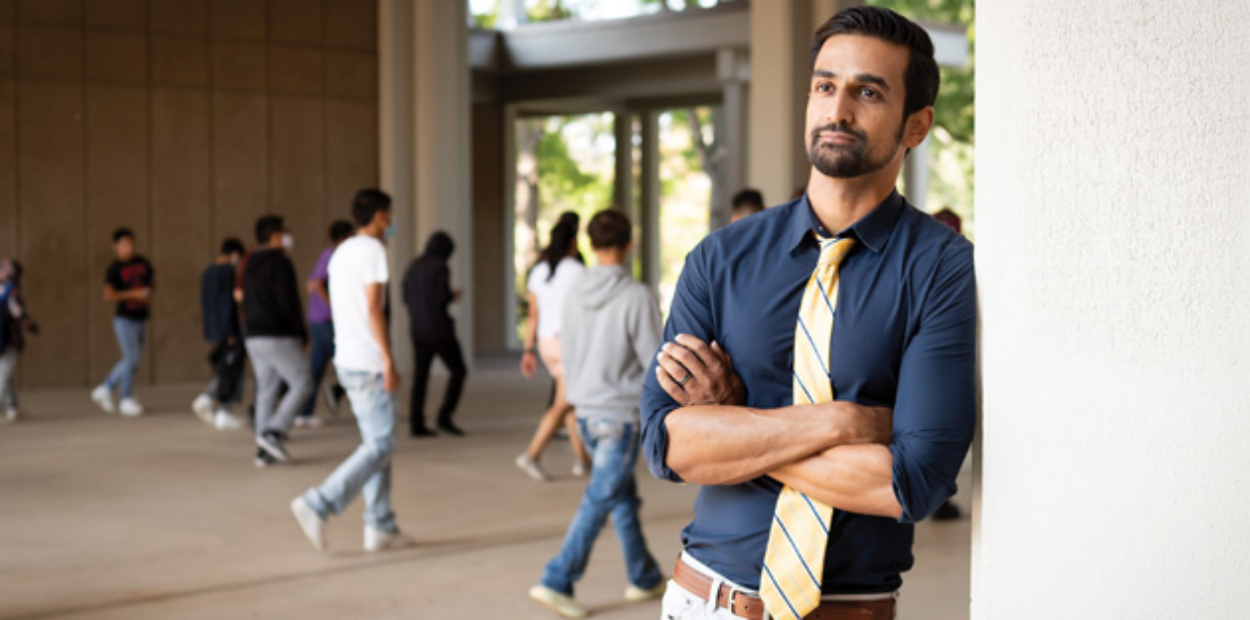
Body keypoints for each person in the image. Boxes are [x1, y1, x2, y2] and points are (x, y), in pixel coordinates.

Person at [641, 8, 976, 620]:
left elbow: (911, 482)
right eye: (825, 85)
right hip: (705, 601)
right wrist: (848, 421)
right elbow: (670, 446)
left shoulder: (942, 268)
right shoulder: (720, 258)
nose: (837, 110)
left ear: (917, 125)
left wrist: (735, 425)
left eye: (868, 92)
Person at [528, 210, 666, 619]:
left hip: (584, 411)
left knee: (620, 496)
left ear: (590, 244)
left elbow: (567, 351)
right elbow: (652, 362)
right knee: (599, 499)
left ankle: (644, 576)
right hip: (620, 416)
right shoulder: (636, 297)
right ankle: (558, 578)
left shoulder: (573, 294)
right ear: (629, 244)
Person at [290, 188, 415, 553]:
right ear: (378, 215)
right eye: (389, 214)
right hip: (369, 362)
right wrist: (389, 360)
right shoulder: (374, 251)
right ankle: (319, 503)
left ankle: (380, 526)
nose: (391, 221)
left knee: (377, 444)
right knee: (381, 444)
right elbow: (374, 309)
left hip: (346, 357)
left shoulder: (341, 252)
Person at [516, 220, 591, 482]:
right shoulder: (577, 271)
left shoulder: (539, 271)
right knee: (563, 403)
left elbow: (533, 315)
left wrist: (527, 350)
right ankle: (532, 454)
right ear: (573, 242)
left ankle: (583, 460)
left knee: (568, 401)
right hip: (567, 342)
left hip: (546, 343)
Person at [242, 215, 312, 467]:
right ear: (274, 236)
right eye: (283, 232)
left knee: (267, 389)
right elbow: (288, 302)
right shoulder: (280, 263)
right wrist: (301, 333)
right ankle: (274, 431)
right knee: (303, 382)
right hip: (277, 334)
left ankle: (264, 449)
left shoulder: (249, 262)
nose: (286, 237)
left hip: (253, 335)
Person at [402, 231, 468, 437]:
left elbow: (405, 296)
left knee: (420, 376)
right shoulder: (440, 267)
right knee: (458, 371)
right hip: (439, 330)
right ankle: (444, 416)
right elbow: (441, 297)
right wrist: (452, 295)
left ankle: (416, 421)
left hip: (418, 329)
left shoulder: (414, 266)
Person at [295, 220, 354, 429]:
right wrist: (333, 306)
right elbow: (314, 284)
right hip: (325, 320)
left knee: (316, 368)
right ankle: (338, 391)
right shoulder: (332, 255)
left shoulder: (332, 255)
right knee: (351, 361)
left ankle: (304, 411)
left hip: (319, 320)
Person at [90, 227, 154, 417]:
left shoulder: (142, 262)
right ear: (116, 246)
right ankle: (120, 394)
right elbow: (108, 296)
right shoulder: (114, 269)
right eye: (124, 244)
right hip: (124, 319)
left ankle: (114, 392)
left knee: (133, 360)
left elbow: (151, 283)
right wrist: (132, 294)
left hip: (142, 317)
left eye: (130, 243)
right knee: (131, 358)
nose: (128, 248)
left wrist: (146, 293)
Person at [193, 239, 248, 431]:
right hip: (228, 329)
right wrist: (231, 331)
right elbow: (228, 304)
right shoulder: (227, 272)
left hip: (214, 328)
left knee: (225, 367)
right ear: (234, 253)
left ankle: (211, 399)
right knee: (231, 369)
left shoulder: (208, 272)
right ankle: (220, 405)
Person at [0, 258, 38, 423]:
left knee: (2, 375)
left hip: (9, 341)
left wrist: (28, 324)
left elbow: (18, 313)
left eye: (5, 268)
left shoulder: (12, 293)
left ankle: (11, 406)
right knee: (6, 377)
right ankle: (12, 406)